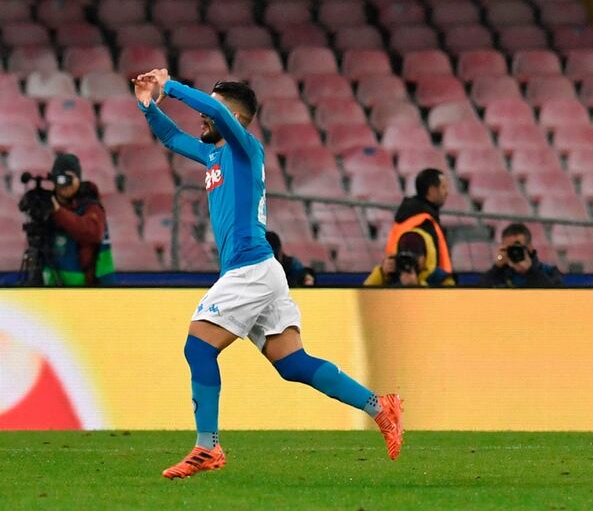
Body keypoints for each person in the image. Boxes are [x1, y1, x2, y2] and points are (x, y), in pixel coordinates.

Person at [133, 70, 402, 479]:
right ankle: (380, 407)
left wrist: (171, 86)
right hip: (262, 270)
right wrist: (148, 105)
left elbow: (210, 111)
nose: (202, 119)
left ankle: (208, 447)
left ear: (234, 119)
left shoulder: (244, 148)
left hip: (250, 268)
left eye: (213, 110)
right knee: (293, 364)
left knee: (199, 348)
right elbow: (171, 139)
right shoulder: (214, 155)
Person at [45, 153, 116, 286]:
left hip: (89, 288)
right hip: (54, 287)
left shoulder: (91, 206)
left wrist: (58, 212)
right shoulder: (50, 206)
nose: (64, 184)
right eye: (59, 178)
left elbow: (92, 232)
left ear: (79, 179)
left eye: (68, 178)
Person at [381, 167, 455, 286]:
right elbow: (413, 262)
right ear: (431, 190)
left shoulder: (411, 215)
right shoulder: (422, 221)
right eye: (443, 187)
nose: (447, 192)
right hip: (418, 290)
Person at [479, 223, 562, 287]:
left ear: (529, 248)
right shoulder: (498, 273)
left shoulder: (549, 271)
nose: (514, 252)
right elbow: (477, 295)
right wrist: (496, 267)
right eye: (509, 248)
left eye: (517, 248)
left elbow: (557, 297)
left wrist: (531, 271)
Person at [363, 231, 432, 287]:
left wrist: (417, 287)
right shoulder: (391, 276)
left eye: (416, 254)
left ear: (426, 256)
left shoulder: (437, 277)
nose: (409, 260)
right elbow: (363, 296)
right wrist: (381, 274)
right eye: (405, 255)